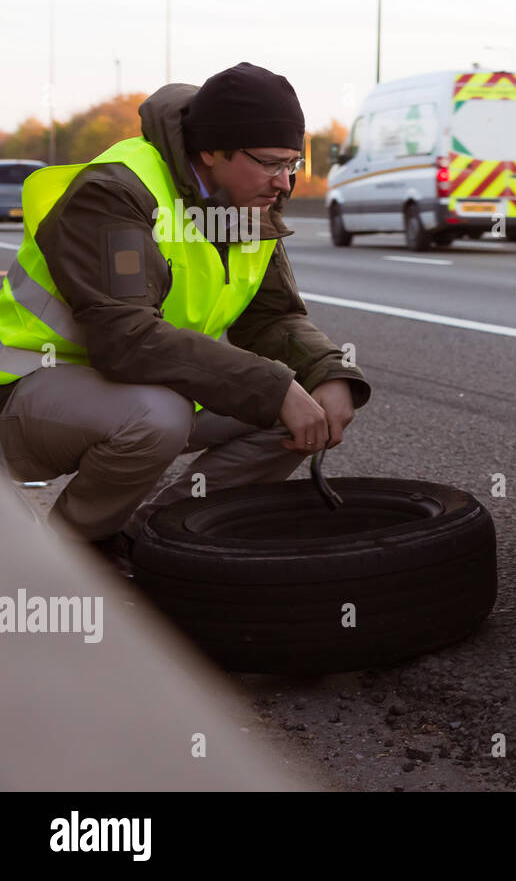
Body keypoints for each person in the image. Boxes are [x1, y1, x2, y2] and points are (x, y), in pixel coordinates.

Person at [0, 62, 370, 571]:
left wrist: (326, 371)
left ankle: (148, 539)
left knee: (300, 406)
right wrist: (273, 387)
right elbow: (126, 339)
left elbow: (271, 319)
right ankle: (70, 561)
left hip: (130, 385)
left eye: (293, 163)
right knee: (162, 415)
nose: (284, 183)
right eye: (269, 163)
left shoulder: (247, 203)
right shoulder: (117, 193)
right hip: (22, 387)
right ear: (212, 151)